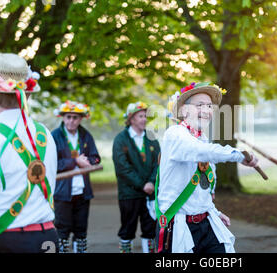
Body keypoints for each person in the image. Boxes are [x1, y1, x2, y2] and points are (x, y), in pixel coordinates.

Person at [155, 82, 259, 253]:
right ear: (183, 111)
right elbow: (200, 152)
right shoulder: (175, 134)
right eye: (200, 105)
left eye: (209, 106)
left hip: (206, 223)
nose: (206, 110)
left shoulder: (202, 139)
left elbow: (202, 190)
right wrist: (238, 155)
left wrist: (214, 211)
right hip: (179, 226)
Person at [0, 53, 58, 253]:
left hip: (5, 244)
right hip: (48, 239)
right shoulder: (44, 134)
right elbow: (12, 144)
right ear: (26, 95)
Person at [51, 101, 101, 253]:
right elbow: (51, 164)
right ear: (63, 117)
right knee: (62, 231)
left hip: (82, 193)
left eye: (75, 117)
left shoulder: (86, 135)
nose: (71, 121)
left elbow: (96, 158)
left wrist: (89, 162)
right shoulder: (54, 136)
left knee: (81, 231)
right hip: (62, 194)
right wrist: (74, 161)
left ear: (81, 119)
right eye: (68, 117)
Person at [112, 101, 160, 253]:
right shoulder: (121, 139)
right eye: (140, 116)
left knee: (150, 229)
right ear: (131, 119)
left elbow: (158, 163)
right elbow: (122, 168)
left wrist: (152, 182)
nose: (144, 119)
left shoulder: (152, 138)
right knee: (127, 229)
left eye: (145, 116)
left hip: (150, 194)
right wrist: (142, 185)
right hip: (129, 194)